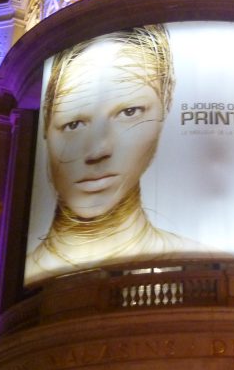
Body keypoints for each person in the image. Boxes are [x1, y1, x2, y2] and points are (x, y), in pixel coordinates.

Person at [25, 25, 201, 282]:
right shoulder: (20, 277)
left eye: (129, 112)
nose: (97, 150)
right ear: (46, 127)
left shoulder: (201, 254)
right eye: (73, 124)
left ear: (166, 107)